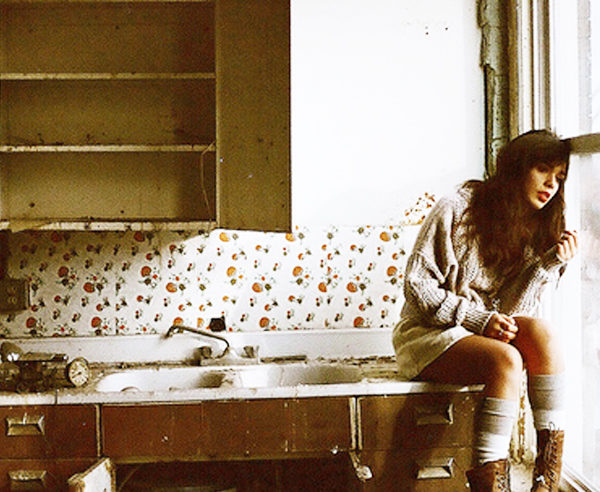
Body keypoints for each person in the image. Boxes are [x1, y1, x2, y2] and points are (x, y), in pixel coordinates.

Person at [393, 129, 577, 492]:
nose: (551, 184)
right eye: (543, 169)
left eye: (559, 177)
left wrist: (546, 265)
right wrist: (477, 319)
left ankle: (546, 483)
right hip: (428, 333)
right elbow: (417, 286)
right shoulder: (457, 208)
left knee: (544, 334)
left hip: (480, 335)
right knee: (506, 359)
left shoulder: (536, 226)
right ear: (517, 167)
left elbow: (510, 312)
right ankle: (493, 488)